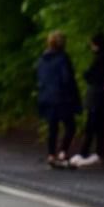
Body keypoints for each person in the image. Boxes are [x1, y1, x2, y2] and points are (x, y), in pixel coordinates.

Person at [36, 31, 82, 165]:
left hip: (47, 97)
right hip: (62, 98)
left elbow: (40, 78)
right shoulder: (63, 59)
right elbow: (66, 79)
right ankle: (62, 151)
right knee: (70, 126)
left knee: (52, 127)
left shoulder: (43, 59)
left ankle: (51, 154)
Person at [70, 33, 104, 167]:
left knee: (91, 126)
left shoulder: (99, 59)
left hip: (96, 95)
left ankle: (84, 152)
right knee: (102, 126)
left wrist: (87, 75)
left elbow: (90, 76)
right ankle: (100, 152)